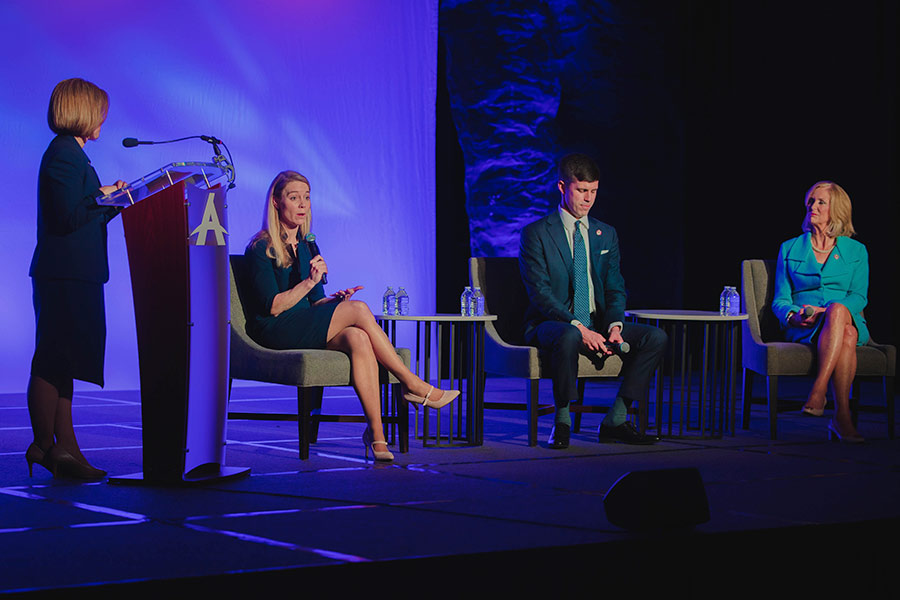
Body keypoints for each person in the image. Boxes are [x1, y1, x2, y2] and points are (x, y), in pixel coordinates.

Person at [244, 170, 458, 461]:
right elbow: (273, 306)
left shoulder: (307, 247)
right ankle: (413, 384)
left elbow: (314, 303)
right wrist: (309, 282)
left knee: (357, 336)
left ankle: (376, 434)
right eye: (294, 198)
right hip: (274, 330)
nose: (302, 204)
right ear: (276, 202)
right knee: (358, 311)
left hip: (303, 324)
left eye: (306, 197)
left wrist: (335, 301)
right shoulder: (260, 247)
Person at [519, 153, 667, 449]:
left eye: (594, 191)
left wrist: (614, 326)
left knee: (656, 337)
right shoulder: (536, 233)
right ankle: (562, 421)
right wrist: (579, 326)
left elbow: (615, 287)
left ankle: (616, 418)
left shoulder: (605, 234)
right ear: (562, 186)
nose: (588, 199)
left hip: (596, 321)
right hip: (551, 323)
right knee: (571, 334)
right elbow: (541, 295)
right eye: (581, 191)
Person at [26, 78, 127, 479]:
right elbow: (68, 216)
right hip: (64, 275)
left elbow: (78, 207)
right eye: (99, 110)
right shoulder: (65, 154)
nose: (104, 118)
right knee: (52, 360)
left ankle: (66, 449)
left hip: (75, 275)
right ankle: (43, 446)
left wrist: (107, 199)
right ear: (81, 110)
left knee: (65, 362)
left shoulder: (74, 155)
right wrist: (105, 200)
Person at [771, 181, 869, 443]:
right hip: (807, 326)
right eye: (811, 201)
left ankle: (818, 389)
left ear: (836, 209)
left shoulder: (856, 251)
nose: (812, 206)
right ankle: (842, 419)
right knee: (846, 335)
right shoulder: (789, 248)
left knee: (839, 311)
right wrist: (793, 315)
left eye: (820, 202)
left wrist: (828, 310)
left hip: (846, 318)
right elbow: (780, 299)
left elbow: (859, 297)